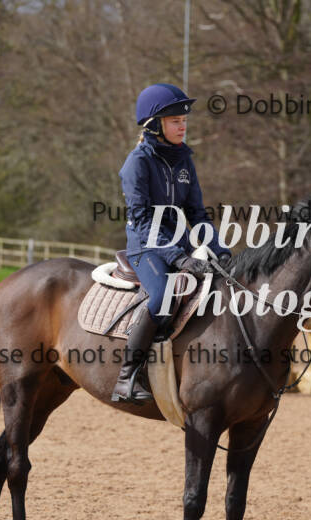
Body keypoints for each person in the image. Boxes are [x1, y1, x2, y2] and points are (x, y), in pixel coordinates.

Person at [112, 83, 231, 404]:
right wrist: (179, 259)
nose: (182, 127)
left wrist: (221, 251)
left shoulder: (184, 161)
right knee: (162, 295)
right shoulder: (137, 163)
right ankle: (126, 377)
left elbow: (197, 214)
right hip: (145, 246)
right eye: (175, 121)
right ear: (154, 125)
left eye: (184, 121)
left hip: (180, 244)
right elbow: (142, 221)